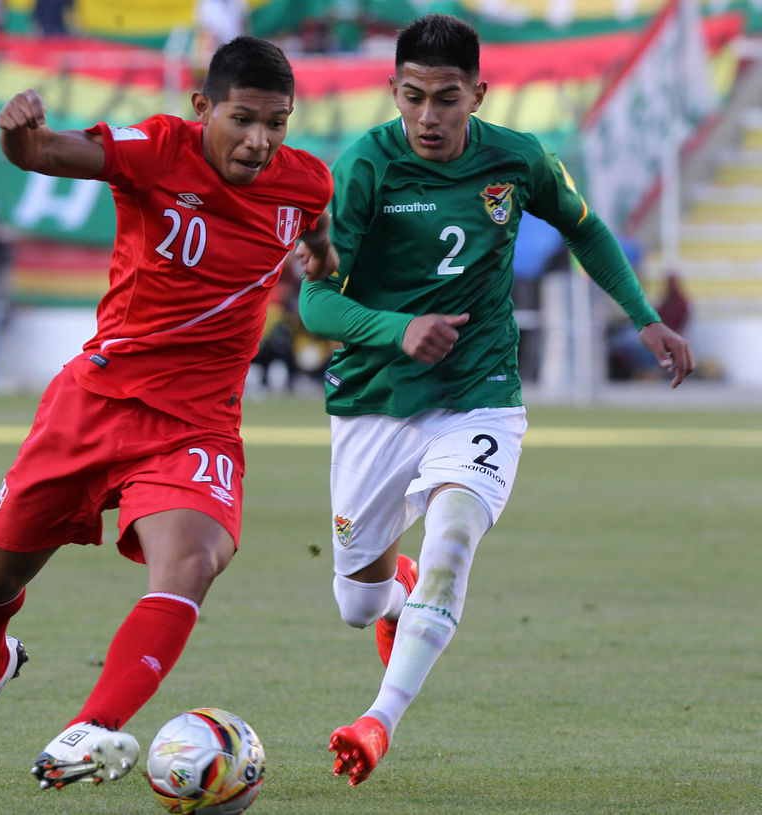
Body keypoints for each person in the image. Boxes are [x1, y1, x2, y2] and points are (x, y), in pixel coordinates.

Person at [296, 13, 694, 787]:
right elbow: (315, 302)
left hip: (479, 395)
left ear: (477, 94)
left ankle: (378, 720)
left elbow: (585, 228)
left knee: (452, 540)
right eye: (413, 97)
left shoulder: (518, 159)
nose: (429, 116)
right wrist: (399, 329)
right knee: (356, 601)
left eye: (447, 99)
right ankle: (394, 592)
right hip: (375, 401)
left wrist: (643, 317)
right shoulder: (363, 167)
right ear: (393, 89)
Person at [0, 35, 336, 791]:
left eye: (276, 122)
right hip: (96, 401)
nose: (259, 140)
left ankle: (93, 728)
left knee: (193, 561)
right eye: (243, 119)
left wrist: (321, 253)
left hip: (198, 421)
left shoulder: (306, 180)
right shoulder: (158, 149)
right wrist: (19, 135)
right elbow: (45, 153)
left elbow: (314, 221)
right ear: (202, 107)